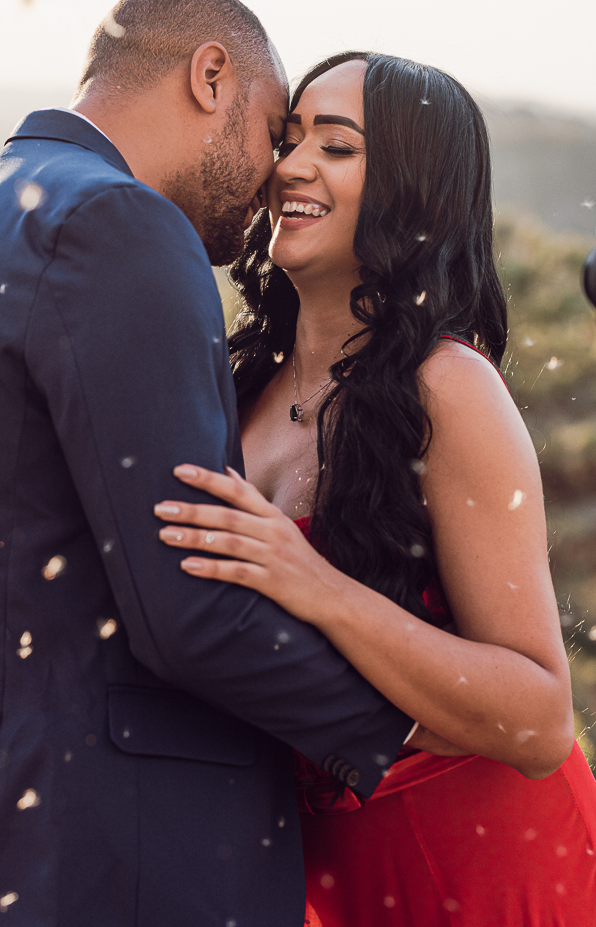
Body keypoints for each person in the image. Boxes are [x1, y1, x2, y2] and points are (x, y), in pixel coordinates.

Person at [0, 0, 414, 927]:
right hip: (114, 860)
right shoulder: (120, 225)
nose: (272, 178)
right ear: (210, 77)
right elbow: (190, 604)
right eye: (272, 130)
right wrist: (402, 725)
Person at [157, 51, 596, 926]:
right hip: (323, 870)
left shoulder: (448, 390)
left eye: (338, 146)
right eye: (288, 140)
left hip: (480, 862)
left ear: (413, 192)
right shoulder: (237, 390)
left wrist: (316, 587)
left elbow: (540, 719)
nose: (291, 166)